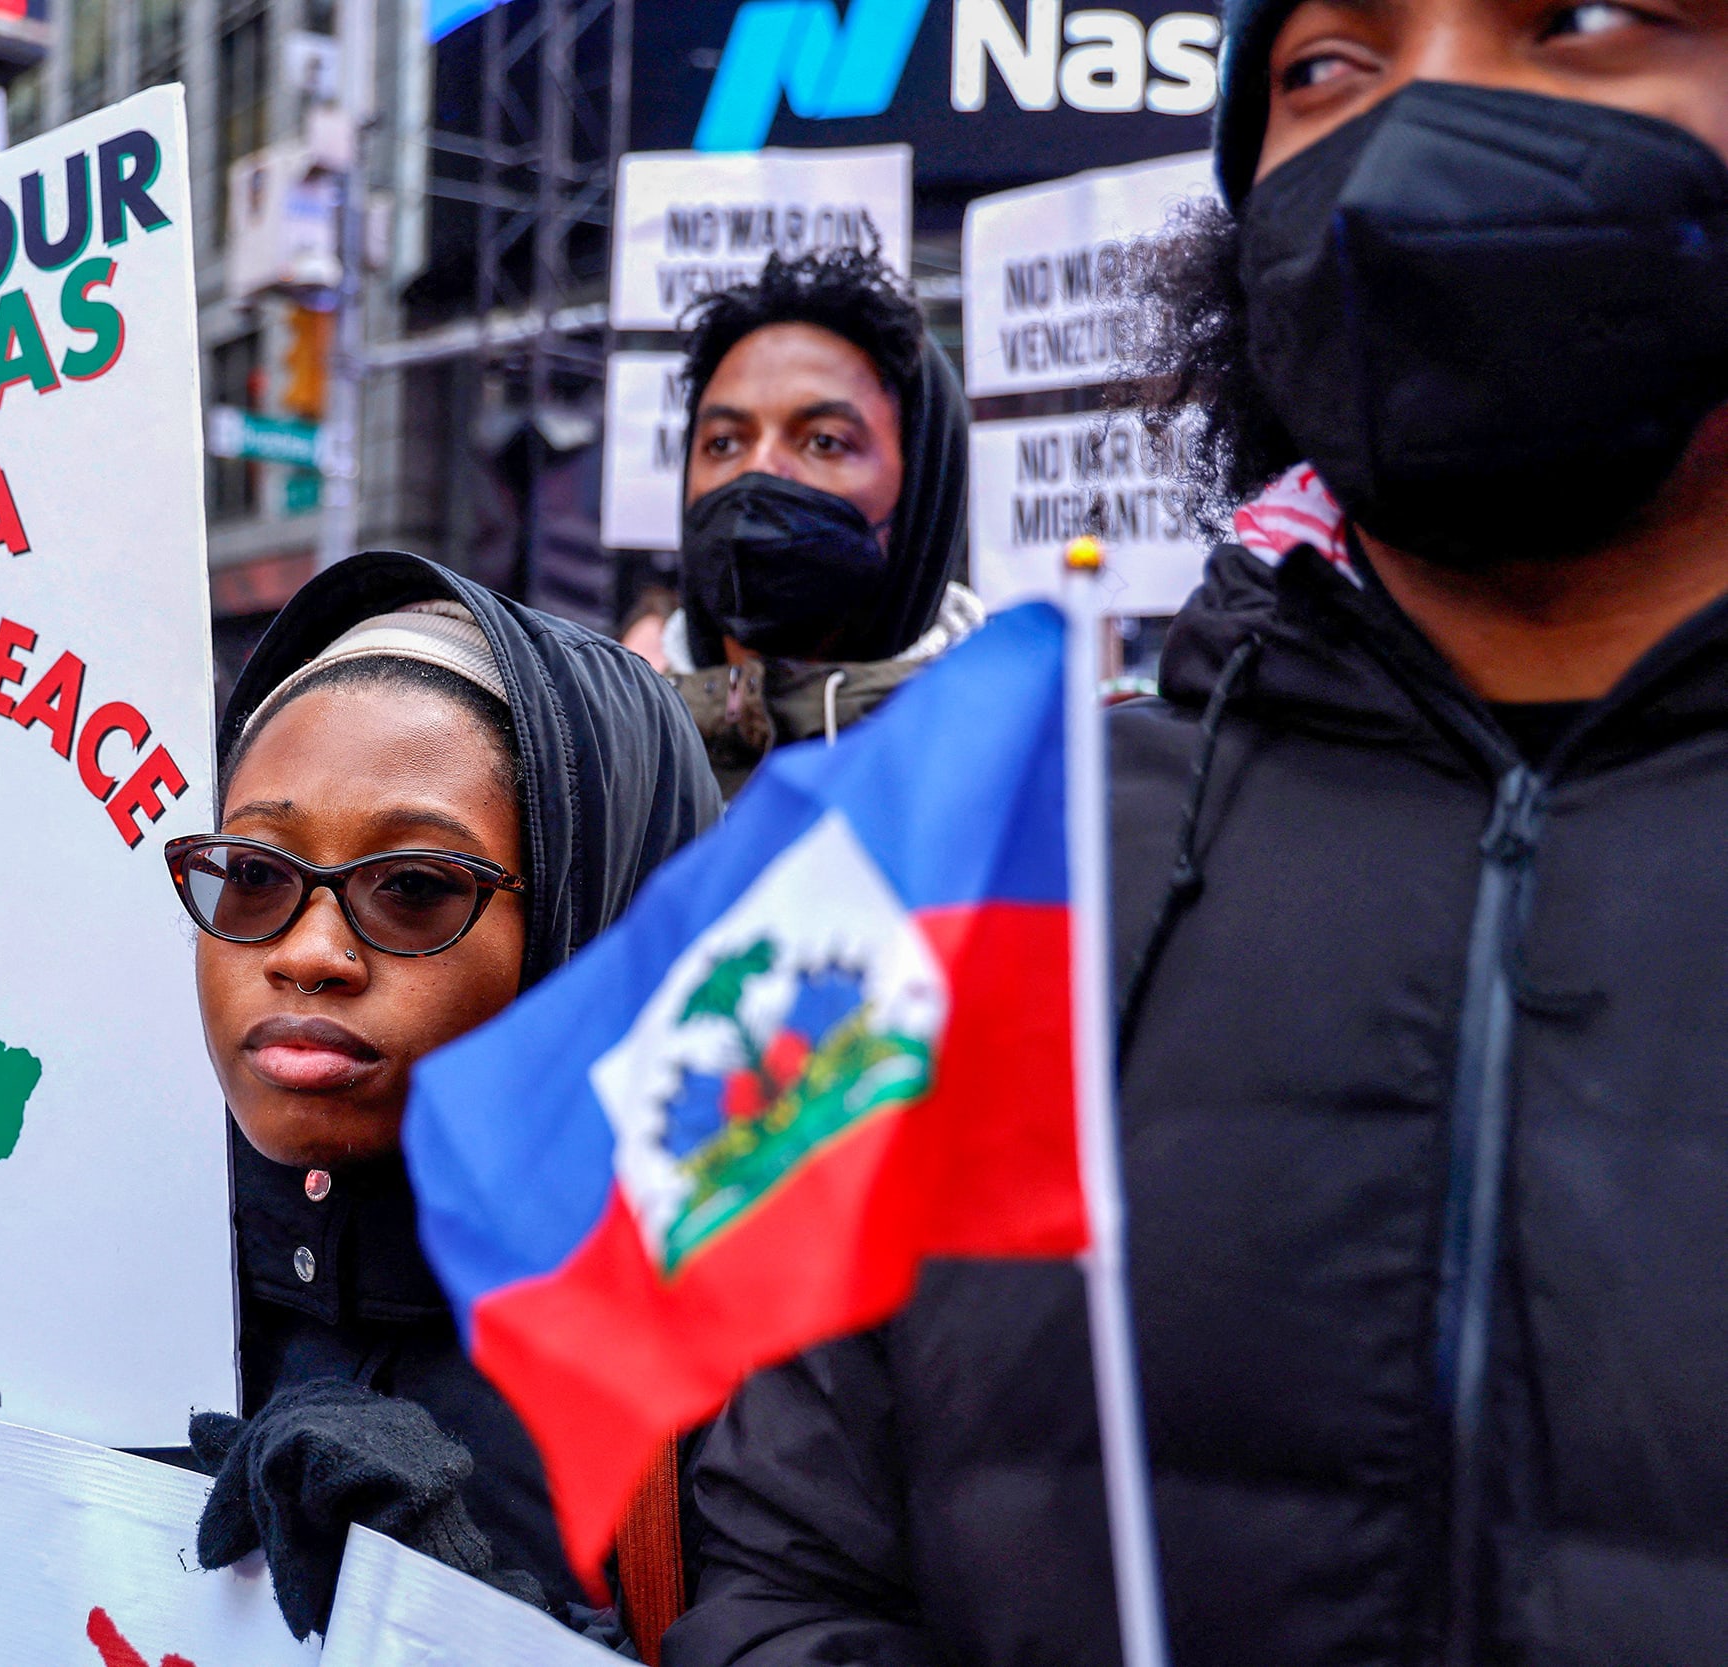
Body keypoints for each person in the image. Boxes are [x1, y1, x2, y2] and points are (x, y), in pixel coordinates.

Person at [669, 3, 1728, 1663]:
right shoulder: (996, 881)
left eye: (1579, 19)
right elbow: (787, 1571)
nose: (1419, 130)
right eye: (1328, 65)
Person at [174, 550, 720, 1639]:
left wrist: (456, 1597)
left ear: (589, 925)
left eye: (413, 886)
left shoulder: (761, 1369)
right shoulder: (99, 1280)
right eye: (255, 874)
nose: (309, 951)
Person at [660, 246, 981, 796]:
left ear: (924, 491)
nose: (759, 470)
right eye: (724, 442)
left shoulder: (1003, 776)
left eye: (823, 441)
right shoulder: (613, 782)